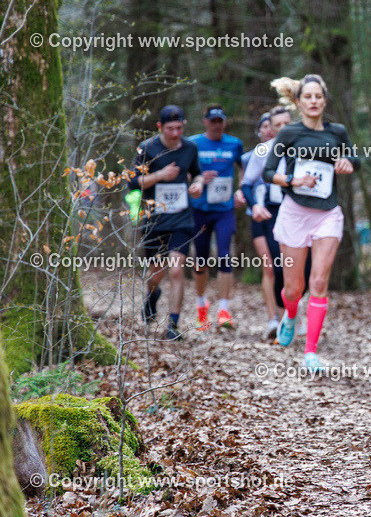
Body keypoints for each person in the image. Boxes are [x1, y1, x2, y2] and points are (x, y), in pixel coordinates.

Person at [262, 74, 361, 371]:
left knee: (318, 282)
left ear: (324, 100)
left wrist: (347, 162)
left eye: (318, 96)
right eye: (308, 97)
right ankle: (290, 313)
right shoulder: (289, 133)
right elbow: (269, 173)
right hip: (295, 212)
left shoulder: (337, 131)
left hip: (327, 213)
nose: (314, 101)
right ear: (298, 102)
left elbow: (354, 158)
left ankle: (310, 352)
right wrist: (293, 179)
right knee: (294, 288)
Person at [128, 105, 204, 341]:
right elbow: (133, 182)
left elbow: (197, 172)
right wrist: (159, 176)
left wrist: (198, 185)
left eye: (179, 128)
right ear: (160, 127)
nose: (175, 133)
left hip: (181, 218)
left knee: (176, 269)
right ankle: (152, 295)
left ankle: (173, 324)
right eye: (170, 129)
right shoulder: (148, 148)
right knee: (156, 273)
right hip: (154, 220)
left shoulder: (190, 147)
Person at [239, 106, 311, 339]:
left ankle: (293, 310)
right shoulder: (263, 151)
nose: (281, 129)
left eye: (285, 124)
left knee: (307, 270)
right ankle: (283, 319)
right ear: (270, 128)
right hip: (273, 212)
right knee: (278, 266)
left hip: (302, 211)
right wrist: (255, 206)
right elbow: (246, 184)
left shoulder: (306, 147)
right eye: (276, 125)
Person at [189, 105, 245, 331]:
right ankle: (201, 306)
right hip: (199, 208)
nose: (217, 125)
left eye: (220, 120)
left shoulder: (234, 143)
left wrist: (241, 190)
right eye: (213, 121)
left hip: (224, 208)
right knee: (200, 259)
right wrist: (199, 178)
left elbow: (244, 168)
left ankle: (224, 310)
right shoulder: (193, 144)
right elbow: (186, 171)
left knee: (224, 254)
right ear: (205, 122)